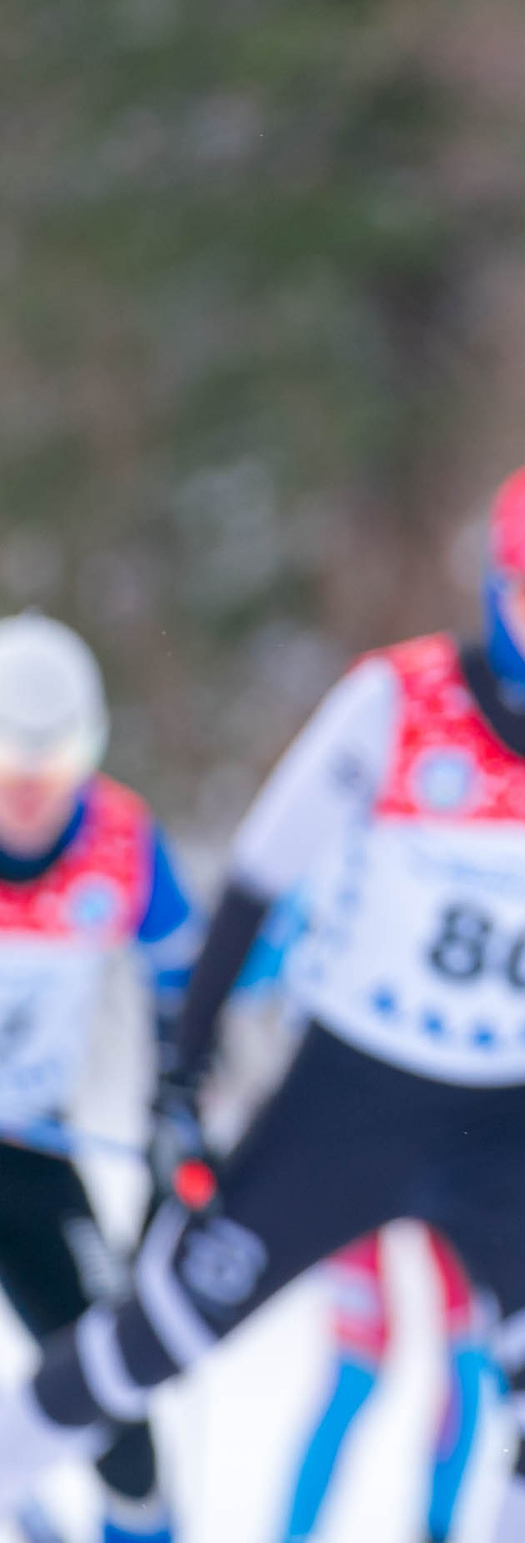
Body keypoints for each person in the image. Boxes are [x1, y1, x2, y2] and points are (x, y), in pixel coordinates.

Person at [0, 450, 525, 1543]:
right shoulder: (399, 702)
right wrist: (183, 1084)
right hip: (349, 1102)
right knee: (149, 1346)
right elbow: (256, 883)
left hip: (516, 1125)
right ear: (501, 592)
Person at [273, 950, 525, 1543]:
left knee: (467, 1358)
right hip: (351, 1148)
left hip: (466, 1155)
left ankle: (435, 1530)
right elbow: (280, 958)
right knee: (358, 1366)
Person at [0, 615, 191, 1543]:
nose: (31, 790)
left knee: (118, 1395)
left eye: (60, 759)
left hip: (35, 1151)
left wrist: (176, 1110)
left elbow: (186, 978)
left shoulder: (120, 839)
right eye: (9, 759)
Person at [279, 1225, 488, 1543]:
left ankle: (436, 1532)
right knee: (356, 1378)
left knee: (465, 1359)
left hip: (462, 1205)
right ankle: (294, 1536)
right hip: (352, 1202)